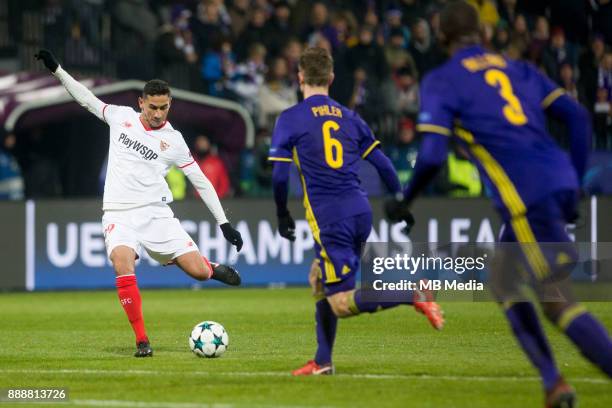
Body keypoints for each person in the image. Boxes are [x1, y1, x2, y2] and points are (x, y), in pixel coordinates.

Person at [384, 3, 612, 407]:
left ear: (442, 40)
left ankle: (555, 381)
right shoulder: (518, 68)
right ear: (483, 34)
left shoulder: (443, 80)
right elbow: (577, 117)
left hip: (526, 194)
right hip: (558, 176)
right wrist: (574, 184)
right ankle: (553, 384)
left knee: (557, 301)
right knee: (503, 278)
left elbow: (433, 155)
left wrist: (406, 199)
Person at [35, 49, 244, 358]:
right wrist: (57, 70)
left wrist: (223, 222)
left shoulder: (174, 141)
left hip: (156, 214)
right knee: (122, 261)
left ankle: (210, 269)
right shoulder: (121, 118)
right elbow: (85, 98)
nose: (159, 114)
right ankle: (142, 340)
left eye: (164, 107)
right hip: (119, 214)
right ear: (141, 103)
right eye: (153, 107)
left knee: (197, 272)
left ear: (169, 104)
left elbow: (200, 180)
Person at [269, 47, 444, 376]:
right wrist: (401, 200)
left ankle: (412, 293)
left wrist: (281, 213)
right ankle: (323, 361)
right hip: (360, 211)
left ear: (300, 77)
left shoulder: (291, 118)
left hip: (330, 218)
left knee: (340, 301)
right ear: (332, 78)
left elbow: (279, 175)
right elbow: (384, 163)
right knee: (319, 278)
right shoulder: (350, 117)